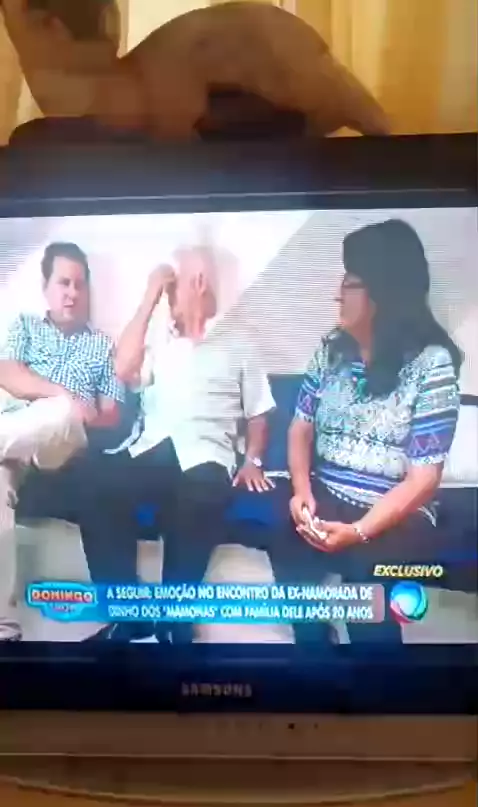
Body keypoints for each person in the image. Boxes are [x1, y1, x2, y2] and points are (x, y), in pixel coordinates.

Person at [269, 219, 462, 644]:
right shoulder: (330, 351)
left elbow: (423, 480)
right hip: (329, 491)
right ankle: (313, 648)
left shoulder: (431, 365)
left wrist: (359, 531)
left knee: (366, 588)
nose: (338, 293)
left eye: (351, 282)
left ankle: (374, 675)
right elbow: (300, 428)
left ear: (384, 292)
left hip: (395, 510)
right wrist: (302, 492)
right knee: (285, 538)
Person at [78, 244, 276, 643]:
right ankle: (127, 616)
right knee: (95, 483)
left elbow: (259, 413)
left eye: (173, 287)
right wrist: (150, 295)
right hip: (152, 448)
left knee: (200, 493)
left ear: (198, 283)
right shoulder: (158, 342)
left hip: (207, 454)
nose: (169, 296)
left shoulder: (239, 343)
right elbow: (122, 369)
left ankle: (173, 620)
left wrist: (252, 460)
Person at [0, 241, 125, 641]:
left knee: (60, 414)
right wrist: (62, 393)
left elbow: (112, 413)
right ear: (46, 287)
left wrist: (73, 408)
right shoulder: (25, 326)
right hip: (15, 438)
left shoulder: (102, 345)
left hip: (62, 444)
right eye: (63, 283)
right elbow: (8, 375)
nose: (72, 293)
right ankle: (4, 631)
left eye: (79, 284)